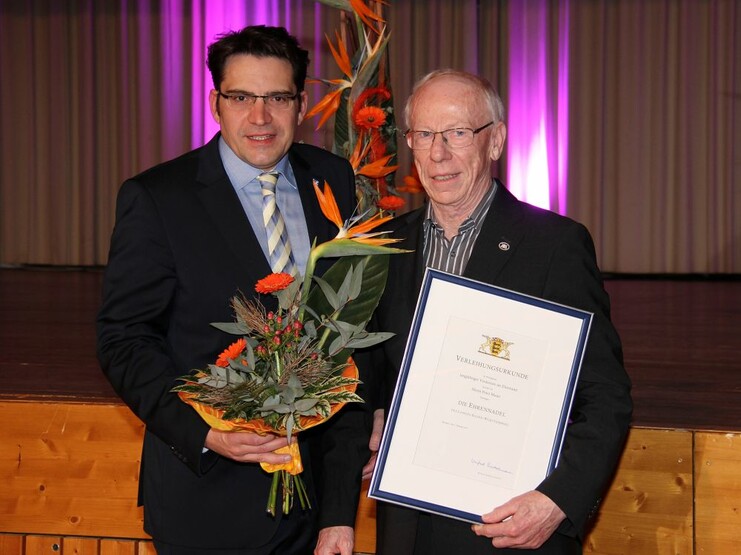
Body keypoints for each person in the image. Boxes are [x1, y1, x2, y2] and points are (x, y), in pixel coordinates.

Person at [97, 25, 366, 554]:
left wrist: (339, 505)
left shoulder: (333, 180)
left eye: (277, 98)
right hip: (207, 502)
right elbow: (123, 339)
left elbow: (349, 330)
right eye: (241, 97)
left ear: (301, 103)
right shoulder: (157, 198)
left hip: (315, 502)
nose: (260, 117)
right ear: (216, 102)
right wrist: (205, 431)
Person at [361, 69, 633, 554]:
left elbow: (606, 397)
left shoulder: (555, 246)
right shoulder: (384, 247)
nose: (438, 153)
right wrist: (379, 409)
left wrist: (556, 501)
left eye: (458, 133)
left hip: (512, 529)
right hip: (407, 530)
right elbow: (372, 374)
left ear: (495, 141)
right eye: (424, 135)